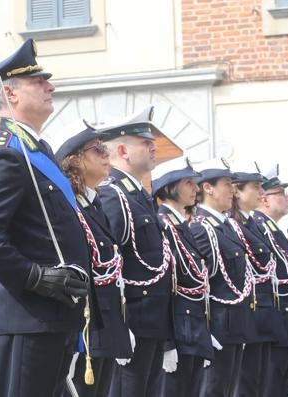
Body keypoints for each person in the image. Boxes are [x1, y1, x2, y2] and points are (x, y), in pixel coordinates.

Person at [0, 38, 90, 397]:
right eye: (38, 82)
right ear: (11, 93)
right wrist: (35, 277)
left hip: (52, 315)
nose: (50, 86)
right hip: (27, 317)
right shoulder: (8, 154)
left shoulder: (36, 149)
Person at [96, 106, 174, 397]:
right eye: (145, 142)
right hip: (132, 321)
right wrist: (116, 326)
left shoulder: (139, 195)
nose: (154, 147)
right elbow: (106, 267)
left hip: (152, 322)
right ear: (123, 151)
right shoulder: (112, 195)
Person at [55, 125, 131, 397]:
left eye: (106, 149)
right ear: (75, 159)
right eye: (98, 150)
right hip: (85, 328)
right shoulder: (67, 206)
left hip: (106, 325)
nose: (106, 155)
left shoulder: (94, 204)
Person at [187, 158, 257, 397]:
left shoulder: (228, 227)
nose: (233, 190)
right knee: (213, 390)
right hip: (216, 326)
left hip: (235, 325)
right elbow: (198, 284)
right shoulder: (200, 228)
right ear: (208, 188)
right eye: (227, 184)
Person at [151, 156, 213, 397]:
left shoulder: (181, 226)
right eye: (188, 182)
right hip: (177, 332)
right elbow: (162, 286)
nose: (195, 189)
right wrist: (167, 343)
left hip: (193, 331)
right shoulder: (162, 225)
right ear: (169, 187)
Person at [226, 160, 283, 397]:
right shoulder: (230, 225)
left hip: (264, 316)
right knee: (245, 386)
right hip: (246, 315)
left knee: (260, 385)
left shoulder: (254, 224)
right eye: (255, 187)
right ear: (237, 191)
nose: (262, 192)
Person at [254, 162, 288, 397]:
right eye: (281, 193)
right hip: (274, 324)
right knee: (269, 387)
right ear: (263, 198)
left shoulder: (274, 230)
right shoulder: (258, 228)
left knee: (280, 388)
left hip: (287, 325)